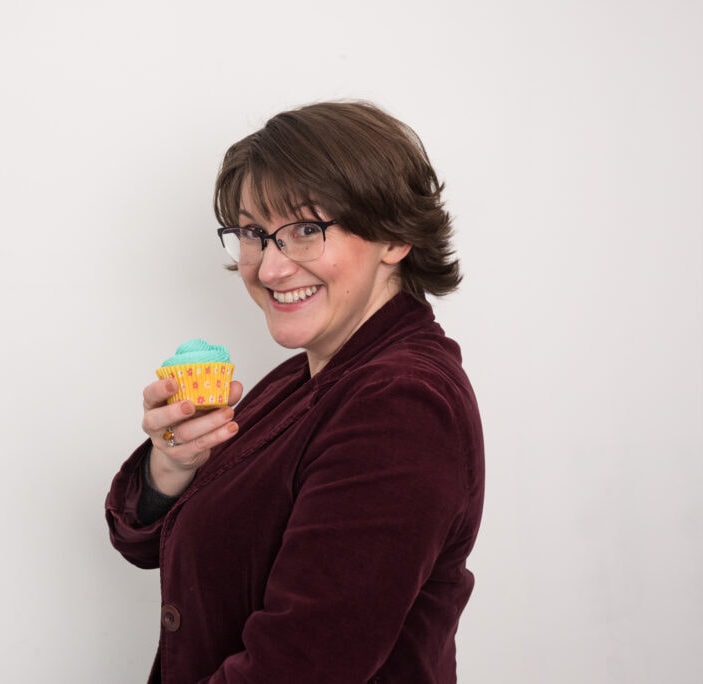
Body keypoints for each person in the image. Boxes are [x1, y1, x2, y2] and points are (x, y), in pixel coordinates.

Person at [105, 100, 484, 683]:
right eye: (255, 234)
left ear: (395, 237)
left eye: (306, 230)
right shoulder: (310, 376)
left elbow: (298, 669)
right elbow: (156, 547)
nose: (270, 268)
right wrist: (170, 467)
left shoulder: (400, 404)